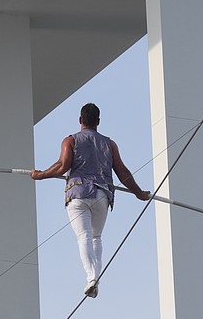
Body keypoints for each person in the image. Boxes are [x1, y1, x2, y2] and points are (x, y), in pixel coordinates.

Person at [32, 103, 151, 298]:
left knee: (83, 237)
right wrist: (138, 192)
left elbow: (63, 166)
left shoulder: (70, 141)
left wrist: (41, 175)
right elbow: (122, 173)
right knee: (96, 237)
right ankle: (94, 278)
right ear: (98, 121)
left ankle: (91, 278)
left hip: (78, 194)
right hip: (102, 196)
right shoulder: (109, 144)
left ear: (80, 120)